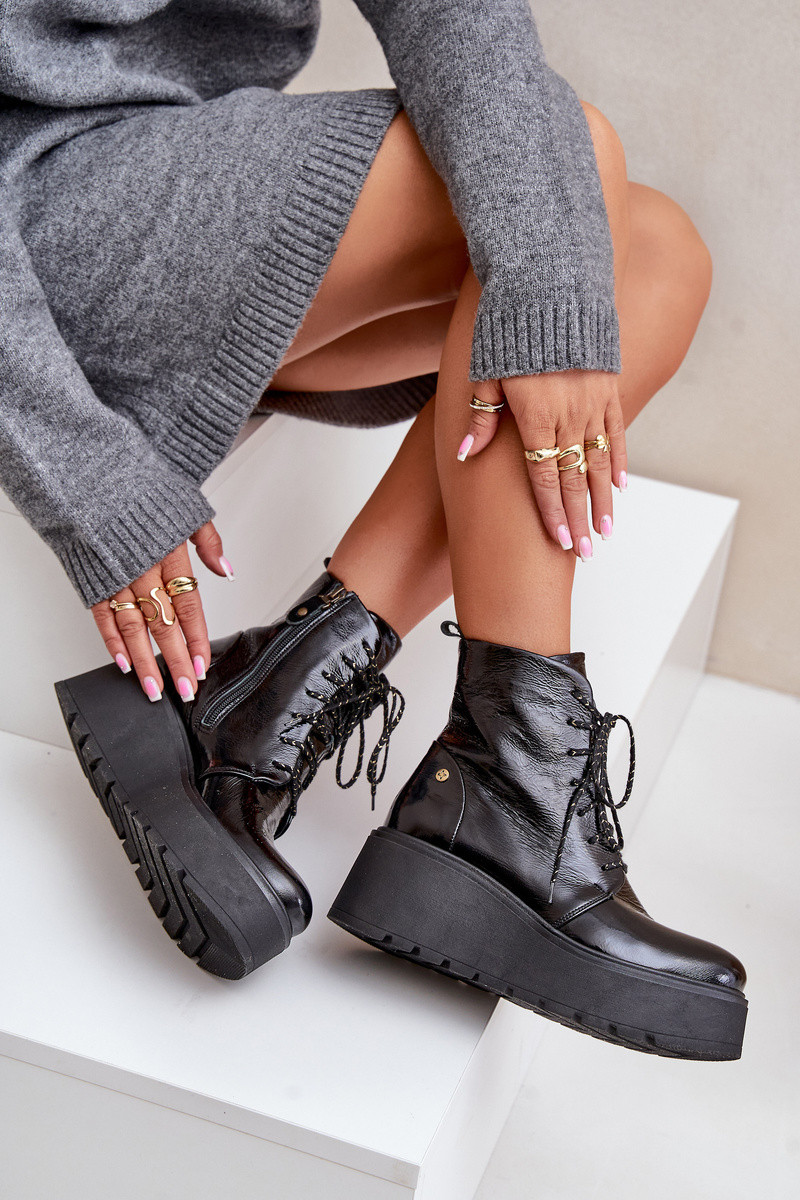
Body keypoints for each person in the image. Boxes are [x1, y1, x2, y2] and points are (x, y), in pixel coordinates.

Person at [0, 0, 747, 1059]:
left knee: (651, 254)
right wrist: (88, 479)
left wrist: (550, 288)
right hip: (35, 209)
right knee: (565, 163)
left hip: (174, 187)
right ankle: (512, 791)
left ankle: (275, 698)